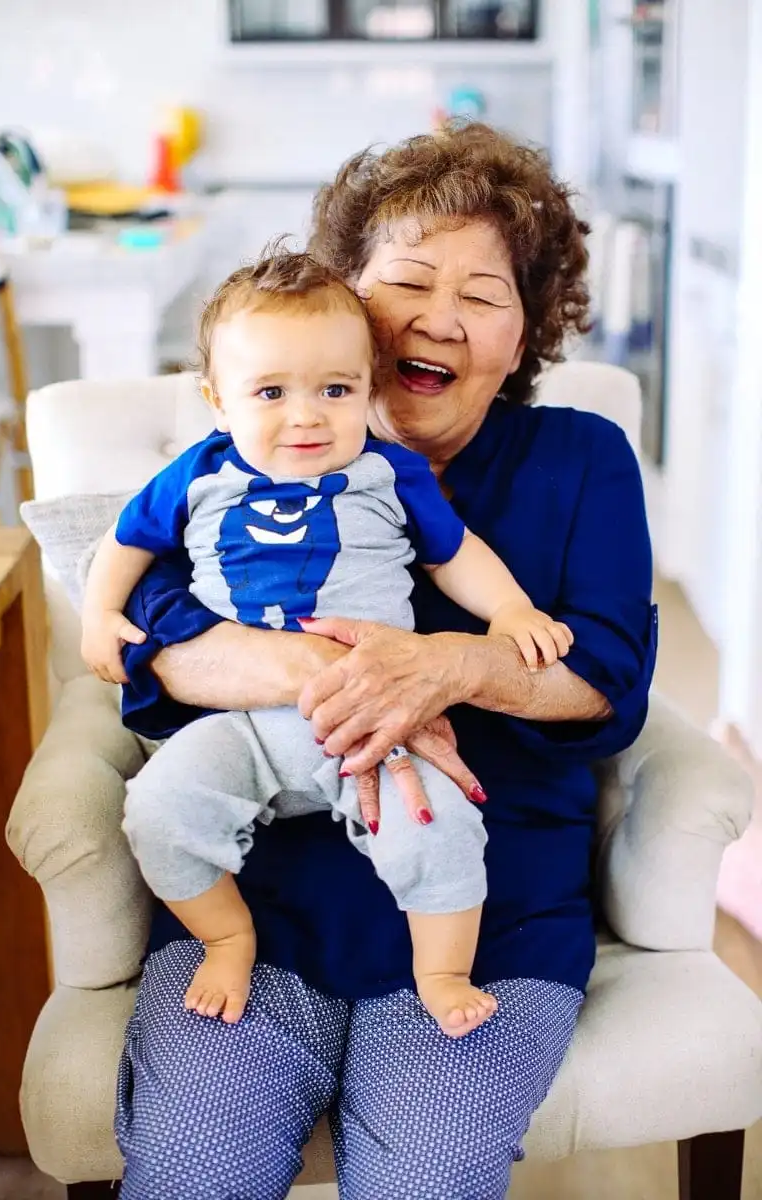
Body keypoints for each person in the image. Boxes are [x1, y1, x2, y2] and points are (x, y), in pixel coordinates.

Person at [114, 122, 657, 1200]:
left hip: (486, 908)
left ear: (522, 338)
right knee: (188, 1172)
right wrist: (325, 679)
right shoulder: (242, 452)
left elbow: (605, 676)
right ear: (346, 301)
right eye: (406, 280)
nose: (438, 319)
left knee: (425, 1183)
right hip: (263, 904)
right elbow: (153, 643)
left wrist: (449, 667)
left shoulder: (578, 457)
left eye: (483, 297)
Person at [80, 248, 572, 1038]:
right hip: (237, 725)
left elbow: (455, 554)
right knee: (158, 810)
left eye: (335, 391)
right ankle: (226, 935)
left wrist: (511, 612)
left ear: (367, 392)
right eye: (270, 392)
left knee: (440, 827)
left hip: (377, 722)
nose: (306, 415)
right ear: (218, 400)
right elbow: (125, 542)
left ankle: (440, 970)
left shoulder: (391, 472)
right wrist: (99, 613)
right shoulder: (198, 474)